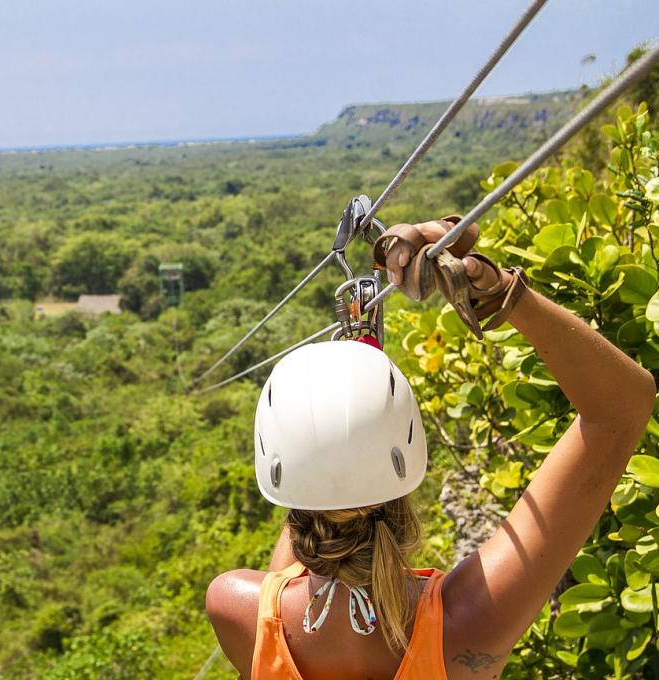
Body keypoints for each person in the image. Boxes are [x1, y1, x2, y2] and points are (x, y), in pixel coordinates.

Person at [205, 217, 656, 679]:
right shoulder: (466, 623)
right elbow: (621, 409)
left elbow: (288, 577)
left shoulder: (236, 610)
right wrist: (499, 293)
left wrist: (342, 408)